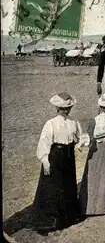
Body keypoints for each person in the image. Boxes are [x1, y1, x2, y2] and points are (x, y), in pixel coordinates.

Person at [31, 93, 89, 235]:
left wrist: (80, 143)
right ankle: (48, 222)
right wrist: (45, 160)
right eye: (63, 108)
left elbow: (81, 137)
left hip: (68, 156)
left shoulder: (74, 122)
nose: (66, 110)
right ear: (57, 108)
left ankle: (67, 218)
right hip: (55, 156)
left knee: (68, 185)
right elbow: (44, 142)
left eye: (68, 108)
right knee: (52, 186)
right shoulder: (51, 123)